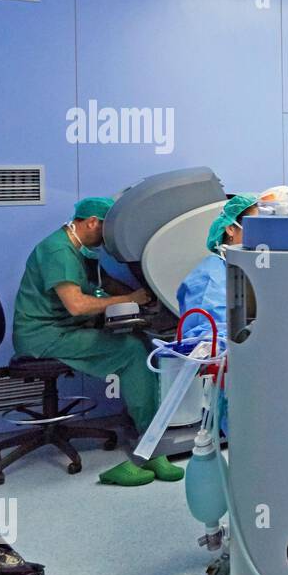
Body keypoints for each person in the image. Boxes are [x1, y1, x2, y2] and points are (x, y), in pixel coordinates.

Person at [13, 197, 170, 486]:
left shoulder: (78, 249)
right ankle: (151, 439)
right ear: (92, 223)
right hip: (45, 336)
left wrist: (142, 296)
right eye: (107, 231)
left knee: (133, 338)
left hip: (59, 329)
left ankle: (144, 423)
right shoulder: (59, 251)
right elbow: (77, 306)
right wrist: (129, 299)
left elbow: (103, 284)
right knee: (133, 351)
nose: (108, 239)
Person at [176, 193, 258, 341]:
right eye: (256, 228)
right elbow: (208, 338)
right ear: (231, 229)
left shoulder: (253, 269)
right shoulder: (210, 277)